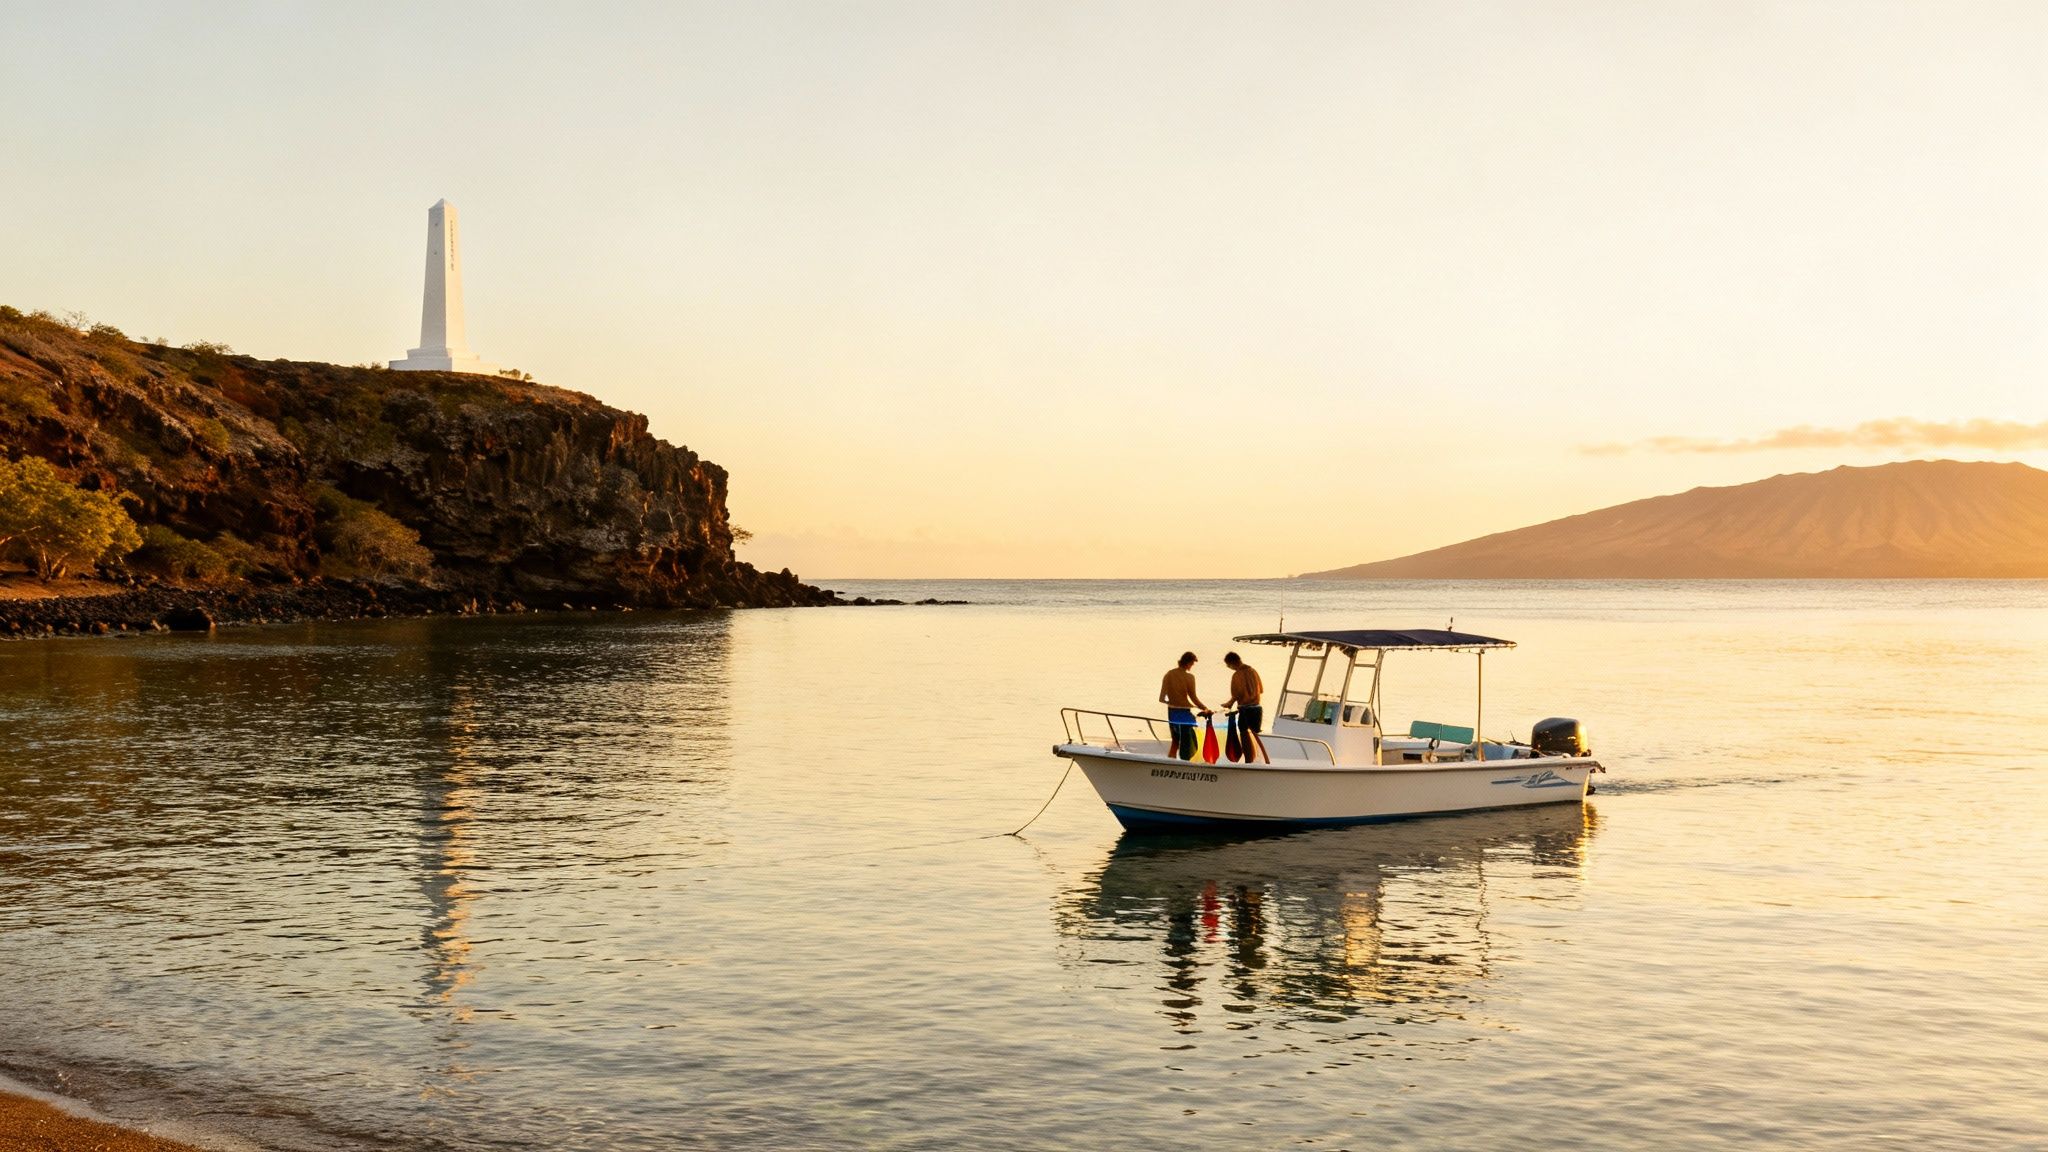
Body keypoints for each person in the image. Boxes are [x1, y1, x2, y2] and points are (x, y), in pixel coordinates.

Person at [1158, 651, 1210, 761]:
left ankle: (1171, 762)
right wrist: (1205, 708)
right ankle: (1187, 763)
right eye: (1192, 664)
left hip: (1172, 712)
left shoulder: (1169, 674)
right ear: (1188, 663)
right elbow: (1193, 698)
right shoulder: (1190, 677)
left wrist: (1171, 702)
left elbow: (1161, 698)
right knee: (1190, 742)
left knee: (1175, 741)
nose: (1192, 666)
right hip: (1185, 713)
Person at [1223, 651, 1265, 763]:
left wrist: (1229, 703)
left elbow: (1237, 694)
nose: (1229, 668)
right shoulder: (1253, 671)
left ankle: (1248, 761)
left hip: (1245, 709)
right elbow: (1261, 690)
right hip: (1257, 708)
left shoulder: (1237, 675)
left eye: (1228, 665)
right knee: (1255, 735)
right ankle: (1258, 760)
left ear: (1231, 663)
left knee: (1244, 733)